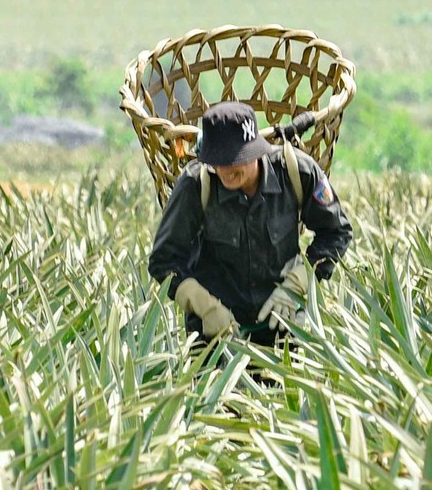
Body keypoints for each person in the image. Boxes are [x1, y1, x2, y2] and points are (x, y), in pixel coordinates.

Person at [148, 101, 353, 348]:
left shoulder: (296, 172)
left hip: (284, 330)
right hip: (215, 340)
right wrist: (204, 305)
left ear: (255, 151)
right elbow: (163, 261)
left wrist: (300, 281)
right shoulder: (196, 184)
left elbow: (336, 232)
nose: (225, 171)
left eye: (234, 160)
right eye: (217, 160)